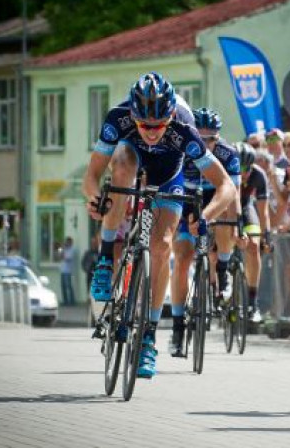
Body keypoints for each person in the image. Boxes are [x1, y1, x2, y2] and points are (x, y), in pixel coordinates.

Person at [83, 72, 235, 378]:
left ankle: (149, 337)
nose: (152, 132)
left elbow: (226, 186)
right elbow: (92, 175)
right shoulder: (118, 118)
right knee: (121, 166)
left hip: (169, 177)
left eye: (158, 126)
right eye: (144, 125)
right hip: (132, 166)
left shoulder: (184, 129)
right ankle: (104, 260)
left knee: (162, 246)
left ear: (170, 117)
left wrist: (205, 215)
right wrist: (93, 197)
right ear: (133, 116)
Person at [169, 107, 241, 358]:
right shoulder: (183, 149)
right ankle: (177, 327)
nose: (206, 143)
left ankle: (222, 269)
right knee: (182, 258)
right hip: (186, 196)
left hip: (215, 196)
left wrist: (238, 222)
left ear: (218, 137)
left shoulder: (228, 154)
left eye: (211, 138)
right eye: (202, 137)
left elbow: (233, 194)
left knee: (225, 217)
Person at [235, 142, 273, 323]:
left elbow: (263, 210)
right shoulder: (225, 170)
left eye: (247, 168)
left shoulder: (259, 175)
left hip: (246, 208)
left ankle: (252, 301)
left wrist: (267, 235)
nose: (244, 172)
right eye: (240, 167)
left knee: (253, 245)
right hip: (226, 208)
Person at [58, 237, 76, 306]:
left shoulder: (72, 250)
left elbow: (66, 258)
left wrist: (62, 252)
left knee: (69, 286)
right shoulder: (64, 249)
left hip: (68, 271)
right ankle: (65, 301)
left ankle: (71, 301)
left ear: (70, 243)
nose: (66, 243)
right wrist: (61, 248)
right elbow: (59, 254)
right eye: (66, 242)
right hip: (62, 270)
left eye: (68, 242)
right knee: (63, 286)